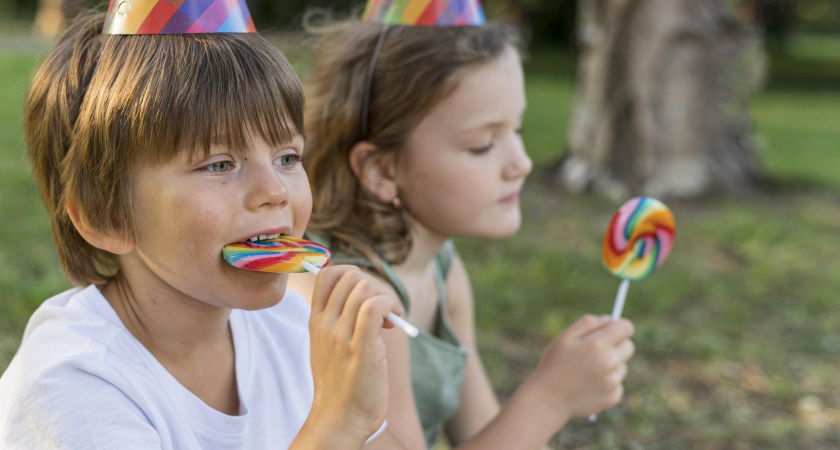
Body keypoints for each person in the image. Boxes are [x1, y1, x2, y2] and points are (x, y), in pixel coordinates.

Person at [0, 10, 405, 449]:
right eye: (219, 165)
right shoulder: (72, 388)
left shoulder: (292, 330)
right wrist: (336, 423)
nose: (274, 190)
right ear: (107, 217)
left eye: (287, 157)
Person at [288, 11, 636, 450]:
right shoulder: (357, 297)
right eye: (483, 144)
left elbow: (486, 434)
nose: (522, 163)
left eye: (519, 129)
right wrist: (548, 399)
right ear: (381, 169)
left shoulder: (442, 269)